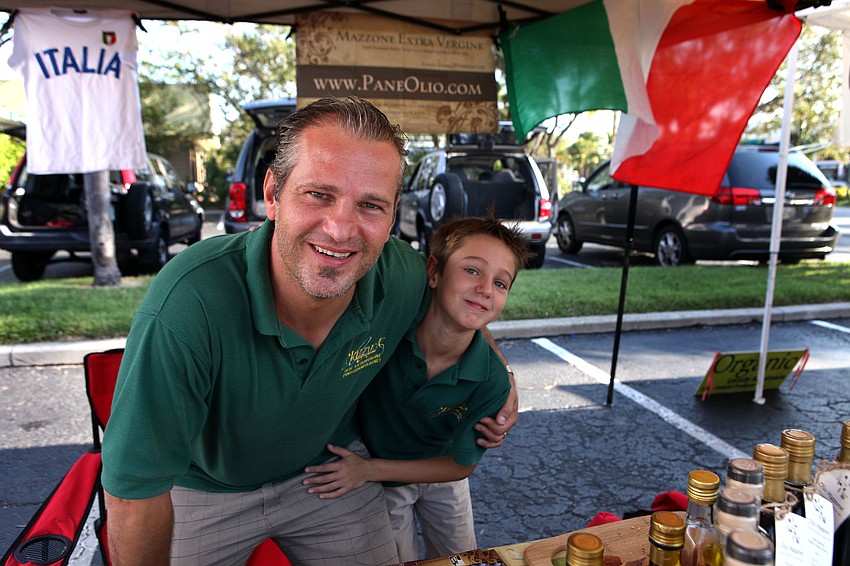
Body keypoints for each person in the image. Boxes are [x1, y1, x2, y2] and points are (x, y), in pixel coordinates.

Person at [100, 96, 517, 566]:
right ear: (274, 194)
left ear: (393, 214)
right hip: (204, 489)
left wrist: (504, 376)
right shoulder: (189, 302)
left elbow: (462, 308)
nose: (341, 230)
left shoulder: (401, 274)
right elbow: (133, 492)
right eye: (319, 194)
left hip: (326, 472)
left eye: (370, 205)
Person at [302, 215, 532, 561]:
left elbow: (460, 465)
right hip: (383, 474)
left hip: (433, 470)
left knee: (461, 557)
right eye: (472, 270)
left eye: (501, 283)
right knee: (397, 558)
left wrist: (368, 470)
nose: (486, 288)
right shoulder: (391, 324)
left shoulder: (492, 381)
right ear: (434, 273)